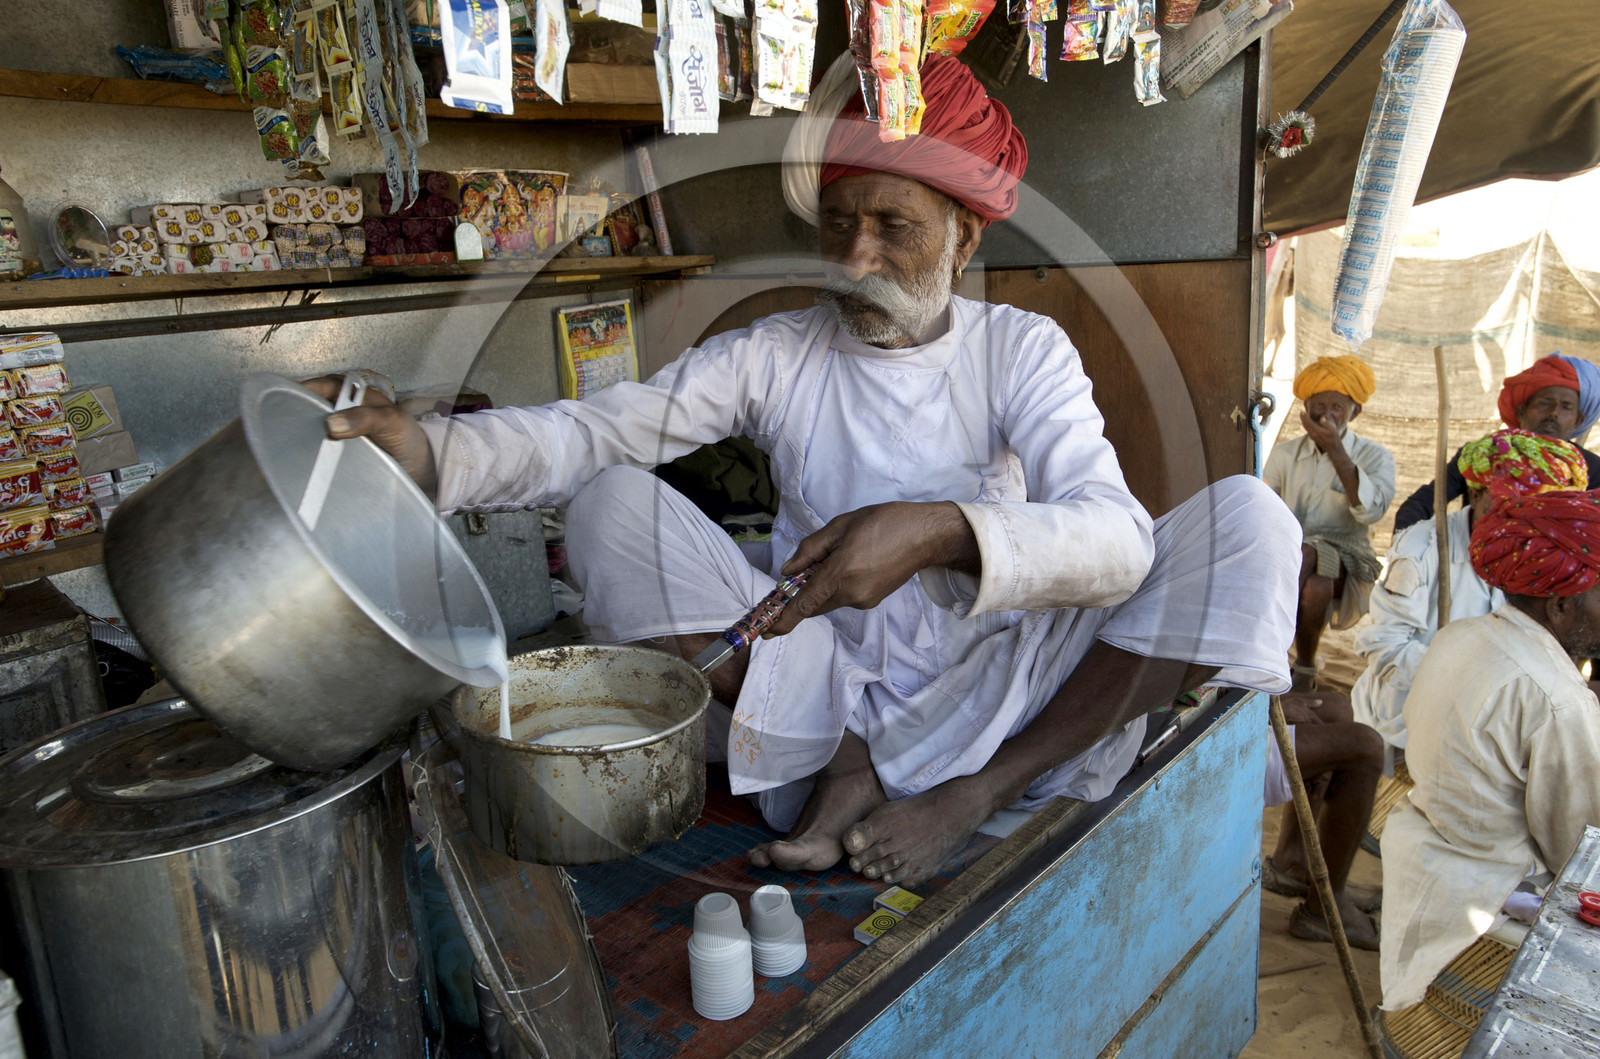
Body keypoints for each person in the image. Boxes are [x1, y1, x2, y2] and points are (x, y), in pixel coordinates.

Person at [318, 54, 1301, 888]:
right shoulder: (777, 352)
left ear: (966, 235)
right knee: (612, 502)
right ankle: (851, 764)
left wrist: (938, 530)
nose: (855, 257)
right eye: (838, 223)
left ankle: (975, 791)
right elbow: (601, 432)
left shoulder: (1019, 349)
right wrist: (437, 453)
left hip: (1005, 685)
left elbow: (1117, 539)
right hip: (817, 686)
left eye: (894, 226)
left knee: (1251, 521)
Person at [1379, 490, 1600, 1011]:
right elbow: (1580, 849)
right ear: (1562, 605)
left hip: (1428, 862)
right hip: (1488, 899)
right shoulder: (1556, 699)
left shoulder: (1462, 636)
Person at [1352, 429, 1588, 751]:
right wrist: (1473, 679)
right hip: (1405, 725)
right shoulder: (1422, 547)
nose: (1520, 523)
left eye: (1534, 515)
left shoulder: (1540, 558)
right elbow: (1384, 647)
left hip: (1490, 728)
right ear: (1476, 495)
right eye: (1510, 508)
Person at [1264, 356, 1395, 690]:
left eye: (1337, 406)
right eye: (1319, 406)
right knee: (1315, 585)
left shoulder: (1376, 457)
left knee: (1306, 552)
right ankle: (1304, 669)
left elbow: (1370, 513)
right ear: (1306, 411)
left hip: (1349, 557)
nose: (1327, 414)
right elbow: (1267, 510)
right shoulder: (1284, 454)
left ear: (1355, 411)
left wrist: (1337, 449)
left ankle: (1269, 652)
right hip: (1297, 557)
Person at [1392, 353, 1600, 533]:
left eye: (1566, 407)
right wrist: (1411, 551)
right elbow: (1422, 504)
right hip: (1476, 570)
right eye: (1545, 403)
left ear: (1578, 421)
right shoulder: (1481, 454)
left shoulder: (1593, 470)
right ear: (1521, 412)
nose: (1554, 413)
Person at [1262, 691, 1384, 949]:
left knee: (1335, 708)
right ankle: (1327, 907)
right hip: (1213, 731)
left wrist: (1270, 700)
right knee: (1365, 747)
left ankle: (1293, 859)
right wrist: (1262, 704)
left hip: (1234, 708)